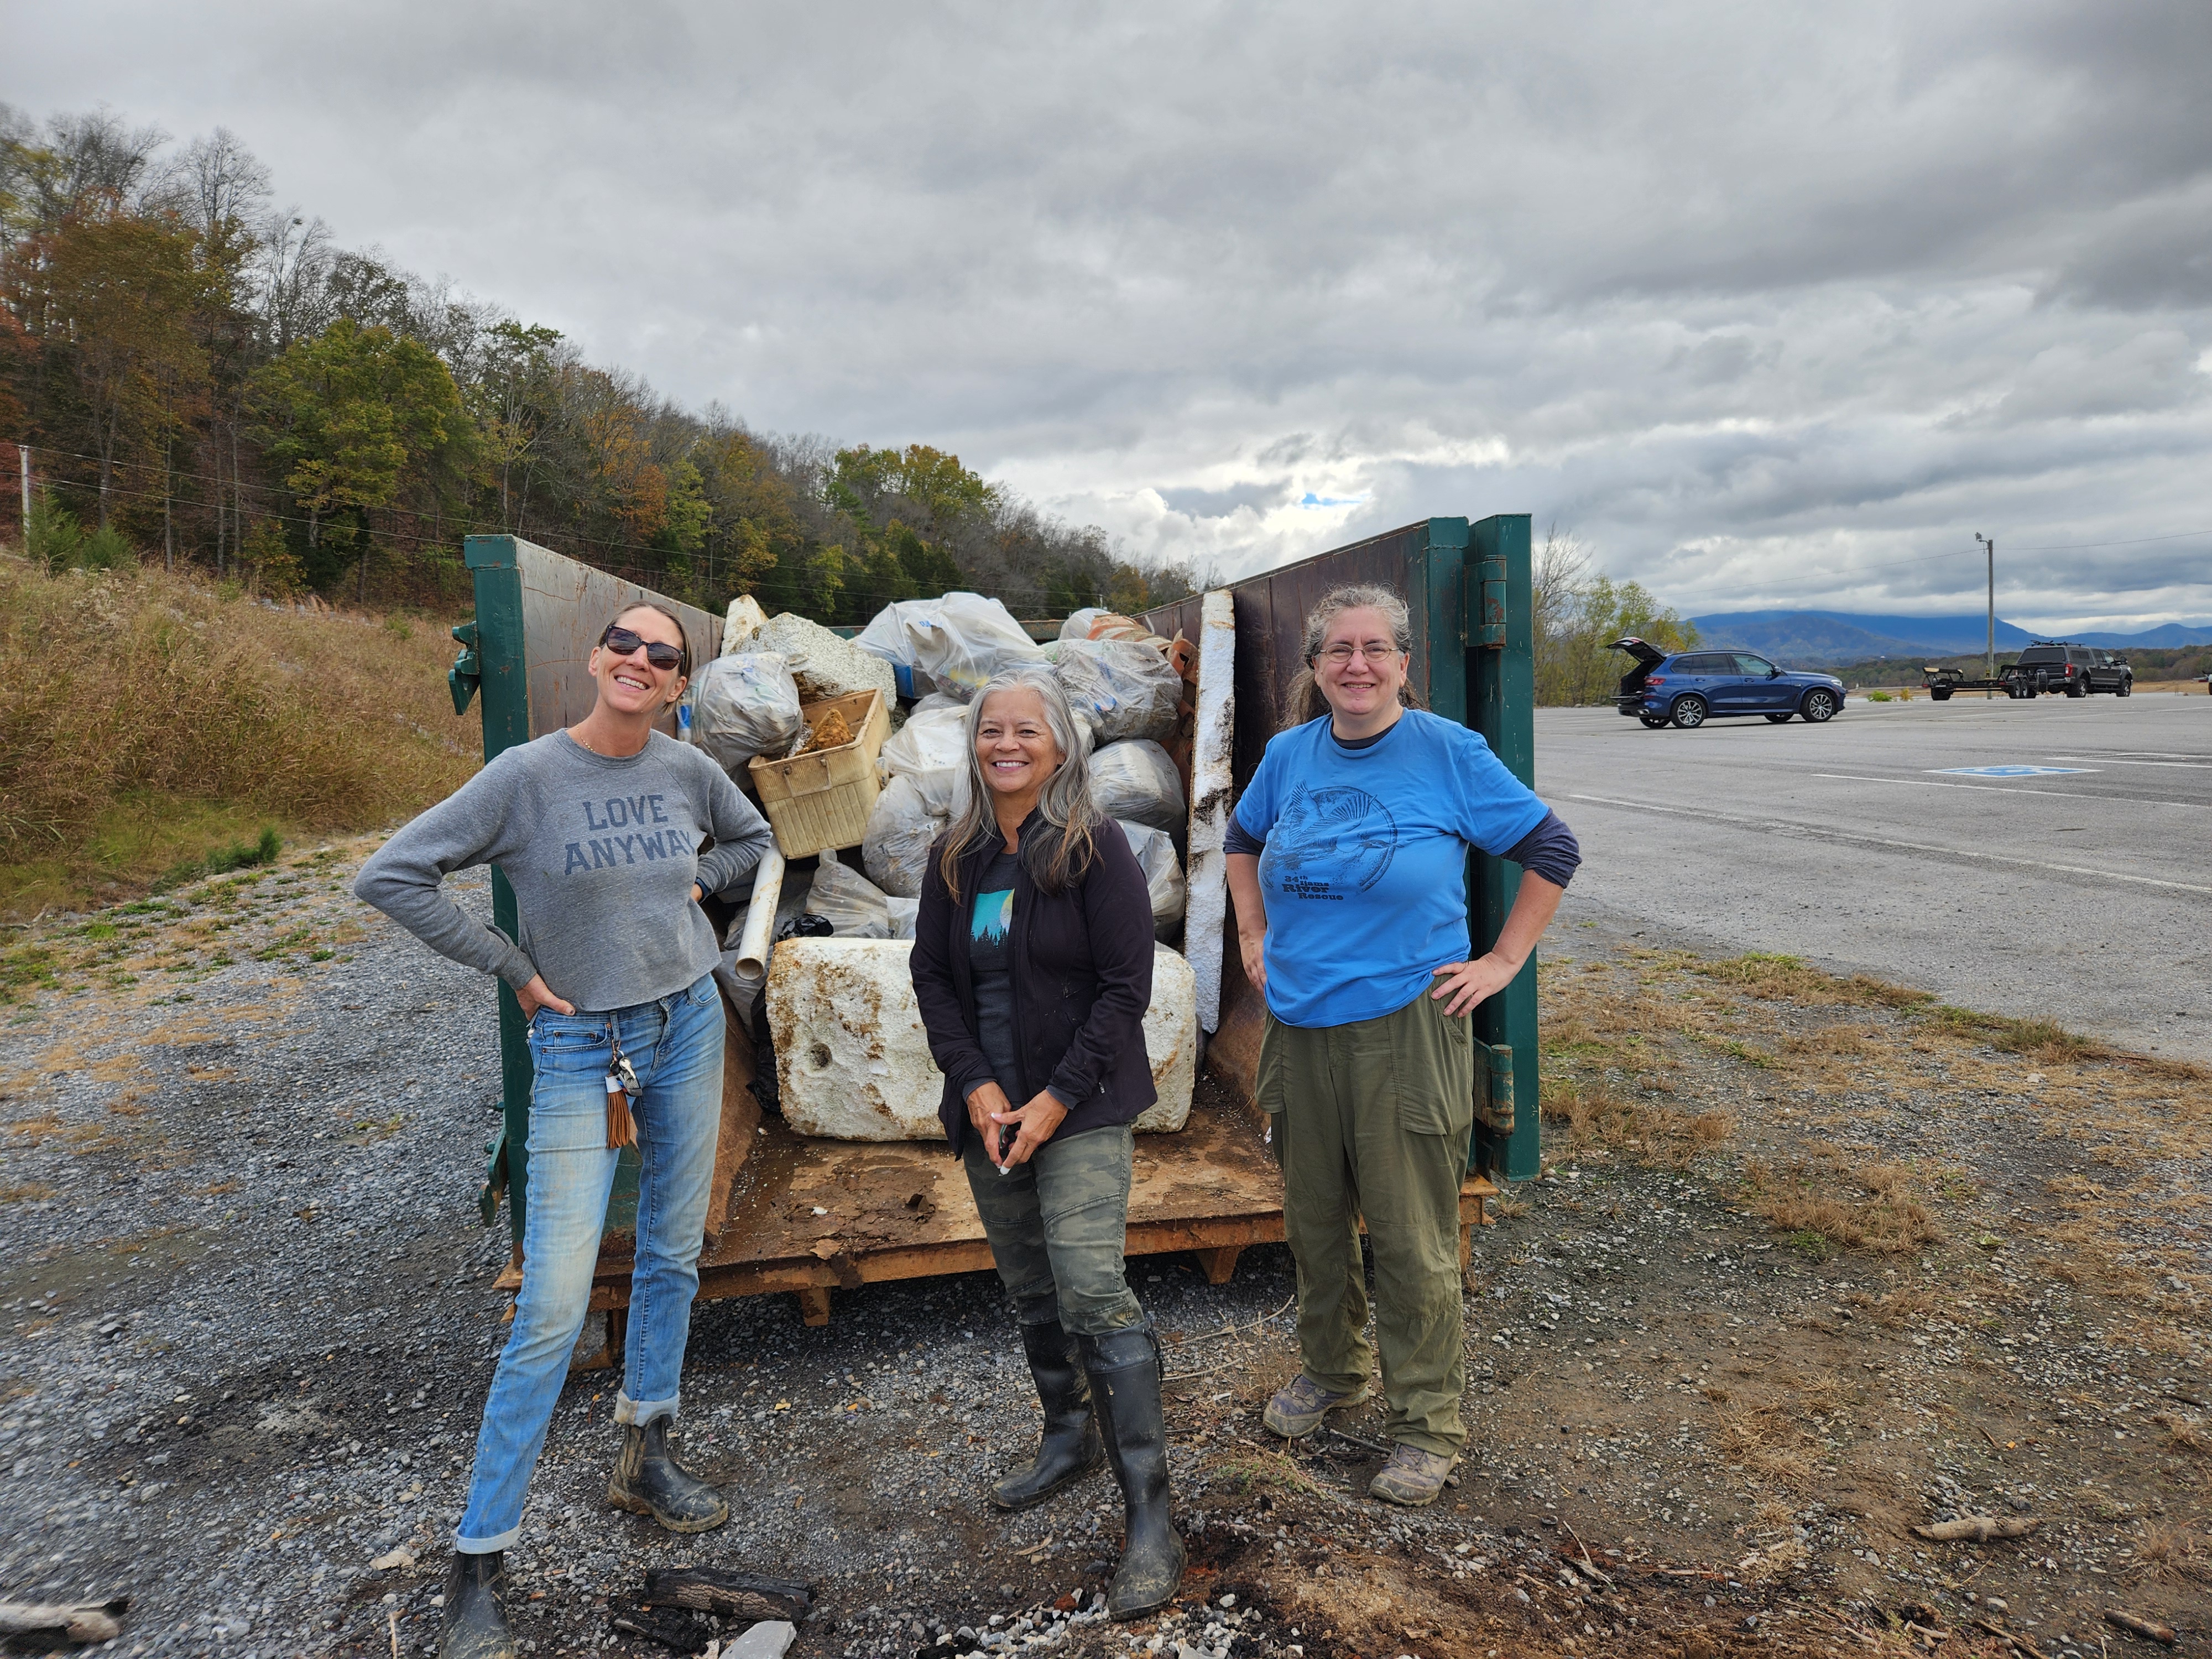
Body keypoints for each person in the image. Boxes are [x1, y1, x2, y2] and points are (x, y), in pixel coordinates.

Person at [354, 602, 774, 1659]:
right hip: (582, 1048)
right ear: (595, 661)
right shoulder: (528, 777)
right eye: (623, 645)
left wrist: (700, 881)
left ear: (682, 683)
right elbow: (391, 876)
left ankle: (646, 1452)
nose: (638, 661)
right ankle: (480, 1561)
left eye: (662, 655)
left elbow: (757, 841)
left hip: (685, 1026)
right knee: (550, 1307)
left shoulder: (685, 771)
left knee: (674, 1252)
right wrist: (514, 971)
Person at [1224, 583, 1580, 1507]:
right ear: (1313, 666)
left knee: (1413, 1237)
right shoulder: (1287, 755)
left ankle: (1425, 1425)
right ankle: (1333, 1375)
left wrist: (1503, 960)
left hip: (1404, 1029)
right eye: (1338, 649)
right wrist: (1254, 936)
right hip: (1299, 1028)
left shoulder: (1445, 753)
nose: (1357, 665)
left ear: (1404, 663)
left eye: (1375, 648)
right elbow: (1240, 837)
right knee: (1312, 1225)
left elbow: (1553, 848)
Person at [909, 665, 1185, 1620]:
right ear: (974, 747)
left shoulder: (1096, 848)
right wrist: (980, 1088)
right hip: (991, 1111)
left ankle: (1152, 1516)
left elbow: (1125, 990)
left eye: (1027, 731)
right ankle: (1066, 1438)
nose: (1007, 745)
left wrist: (1054, 1102)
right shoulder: (957, 855)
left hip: (1082, 1104)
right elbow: (933, 984)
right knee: (1030, 1285)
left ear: (1060, 744)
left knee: (1090, 1283)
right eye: (992, 732)